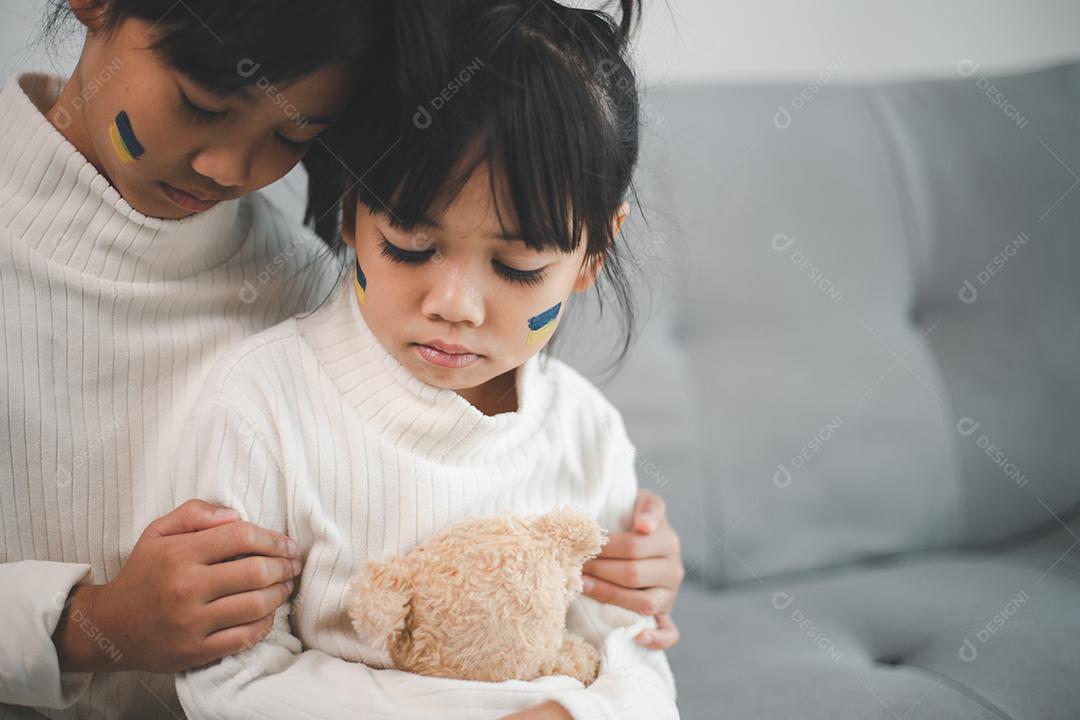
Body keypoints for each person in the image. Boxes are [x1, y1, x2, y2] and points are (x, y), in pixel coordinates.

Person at [0, 1, 684, 717]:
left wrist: (630, 574)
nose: (232, 167)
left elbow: (622, 642)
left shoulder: (314, 287)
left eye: (297, 133)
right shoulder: (273, 378)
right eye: (202, 103)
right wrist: (93, 627)